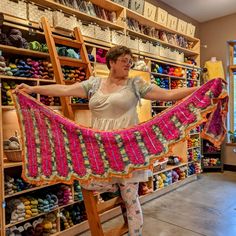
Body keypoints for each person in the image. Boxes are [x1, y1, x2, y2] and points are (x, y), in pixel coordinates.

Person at [14, 45, 198, 236]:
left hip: (128, 150)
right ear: (112, 62)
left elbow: (167, 94)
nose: (129, 64)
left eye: (130, 61)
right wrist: (33, 88)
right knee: (87, 183)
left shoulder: (135, 84)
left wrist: (200, 88)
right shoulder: (93, 84)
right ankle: (116, 185)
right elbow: (64, 89)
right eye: (124, 60)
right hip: (99, 150)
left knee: (130, 200)